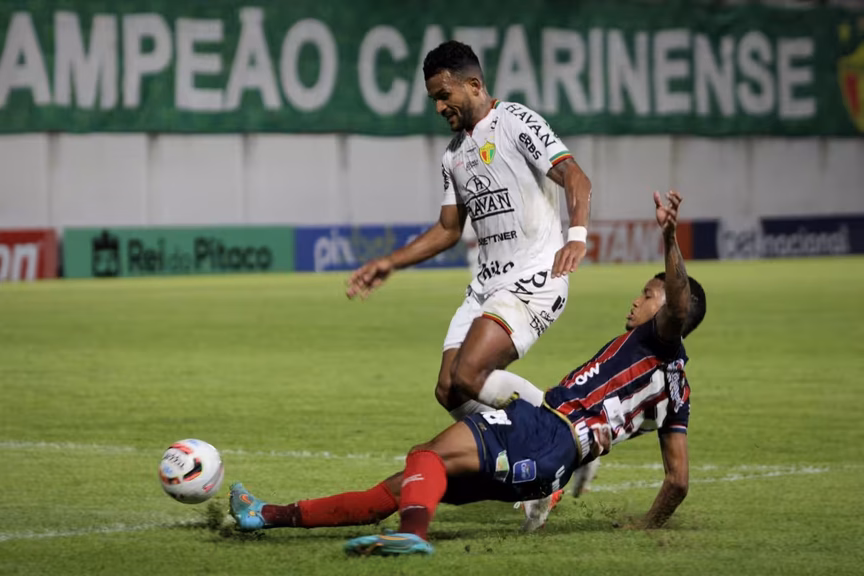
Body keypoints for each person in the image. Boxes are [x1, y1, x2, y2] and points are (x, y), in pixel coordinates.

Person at [229, 190, 707, 556]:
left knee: (426, 455)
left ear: (672, 311)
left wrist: (669, 238)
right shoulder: (678, 391)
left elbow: (677, 303)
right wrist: (647, 525)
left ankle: (413, 537)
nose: (637, 300)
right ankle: (268, 515)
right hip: (551, 465)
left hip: (544, 430)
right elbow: (679, 481)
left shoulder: (658, 339)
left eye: (648, 295)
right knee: (405, 484)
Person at [345, 40, 592, 423]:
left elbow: (575, 176)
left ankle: (567, 424)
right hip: (486, 287)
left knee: (469, 373)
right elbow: (448, 229)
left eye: (444, 96)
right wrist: (390, 263)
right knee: (449, 390)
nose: (439, 107)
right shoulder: (453, 154)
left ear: (474, 85)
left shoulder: (515, 121)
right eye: (434, 100)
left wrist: (576, 237)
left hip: (536, 278)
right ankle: (519, 448)